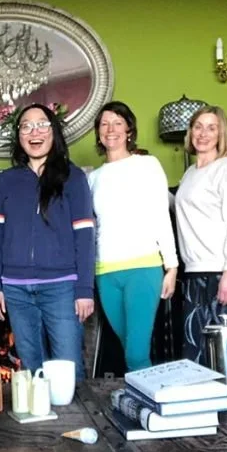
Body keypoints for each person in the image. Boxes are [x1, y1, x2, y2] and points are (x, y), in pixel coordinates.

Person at [0, 103, 95, 381]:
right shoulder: (8, 180)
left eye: (41, 125)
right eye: (26, 126)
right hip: (15, 290)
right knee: (31, 372)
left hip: (62, 287)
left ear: (53, 131)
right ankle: (40, 425)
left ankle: (77, 424)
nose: (34, 132)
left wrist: (85, 288)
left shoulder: (73, 177)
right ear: (19, 136)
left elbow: (85, 237)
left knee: (69, 369)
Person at [88, 101, 178, 371]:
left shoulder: (147, 165)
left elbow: (161, 215)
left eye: (117, 122)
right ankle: (142, 405)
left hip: (143, 268)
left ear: (129, 129)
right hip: (106, 273)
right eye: (104, 124)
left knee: (136, 354)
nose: (110, 129)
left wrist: (171, 266)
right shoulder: (94, 178)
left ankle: (148, 411)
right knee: (129, 349)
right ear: (99, 133)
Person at [174, 105, 227, 363]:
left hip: (223, 270)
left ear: (221, 134)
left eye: (211, 128)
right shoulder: (190, 173)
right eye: (198, 126)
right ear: (190, 132)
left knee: (223, 356)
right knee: (194, 351)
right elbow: (180, 207)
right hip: (195, 271)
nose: (203, 133)